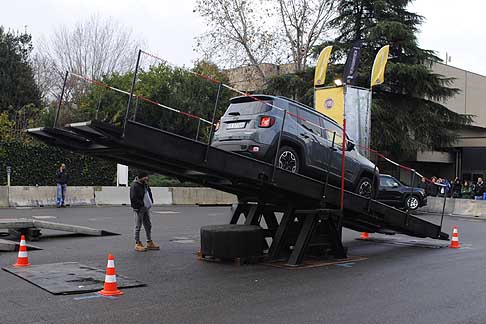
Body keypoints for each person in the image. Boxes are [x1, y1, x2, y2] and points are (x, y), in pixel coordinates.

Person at [130, 171, 160, 252]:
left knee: (148, 225)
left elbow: (149, 193)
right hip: (139, 208)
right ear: (141, 177)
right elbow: (133, 198)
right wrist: (138, 206)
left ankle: (149, 242)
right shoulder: (134, 185)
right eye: (145, 177)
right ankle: (137, 243)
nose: (147, 178)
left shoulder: (145, 184)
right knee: (138, 226)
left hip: (146, 207)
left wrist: (150, 202)